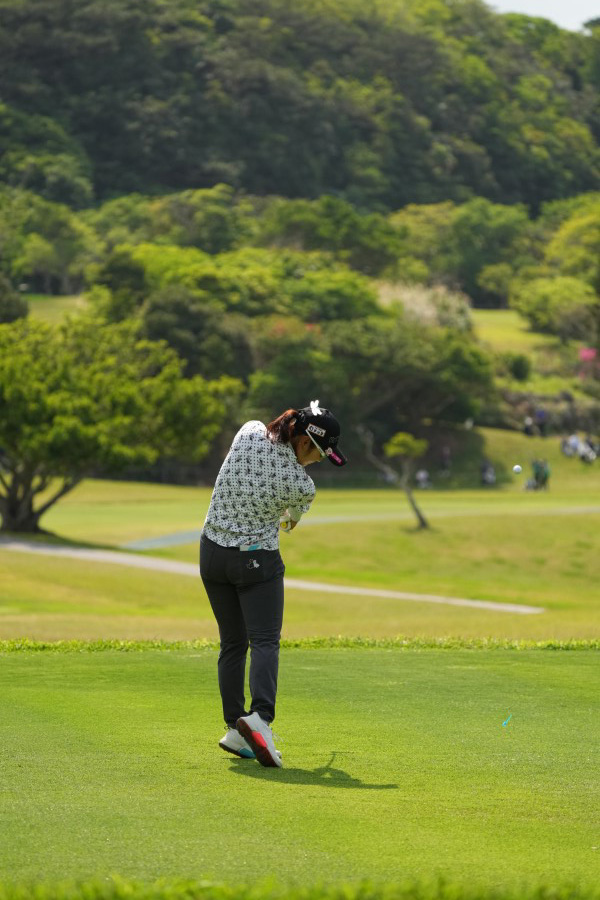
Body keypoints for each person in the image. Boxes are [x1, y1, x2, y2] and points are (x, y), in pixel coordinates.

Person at [199, 400, 347, 768]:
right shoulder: (302, 485)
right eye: (319, 454)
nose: (318, 462)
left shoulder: (249, 429)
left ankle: (236, 728)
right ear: (305, 442)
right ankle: (260, 718)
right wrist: (282, 506)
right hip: (254, 562)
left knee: (233, 643)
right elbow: (287, 523)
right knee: (264, 640)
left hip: (211, 555)